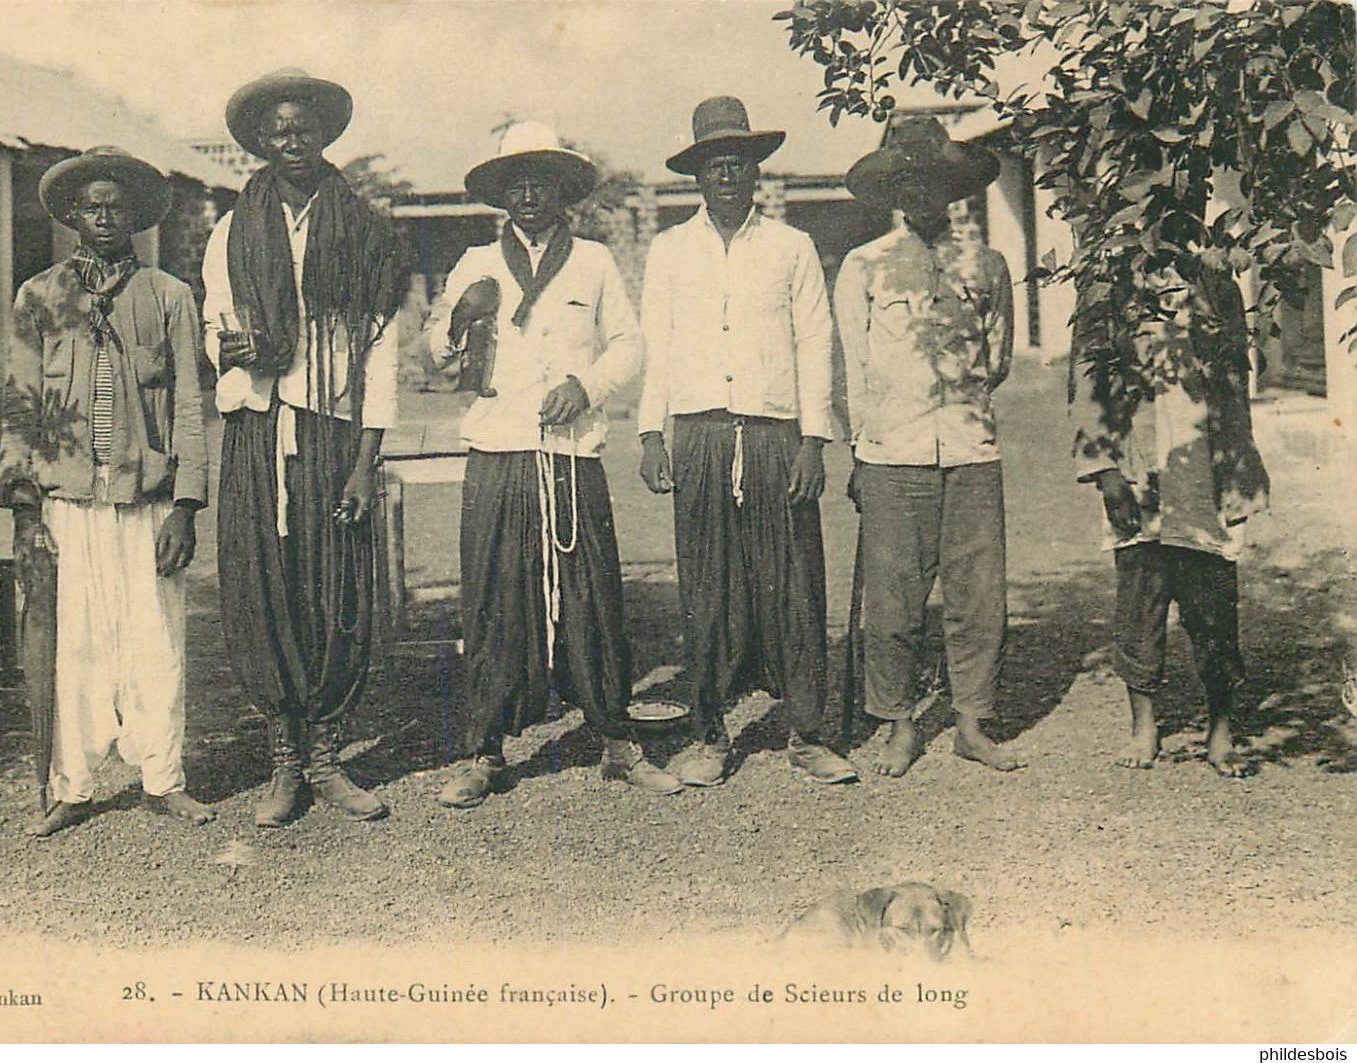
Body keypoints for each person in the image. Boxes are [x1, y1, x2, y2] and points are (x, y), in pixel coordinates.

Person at [426, 122, 681, 808]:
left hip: (570, 453)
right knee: (490, 600)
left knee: (592, 596)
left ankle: (618, 743)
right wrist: (455, 323)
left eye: (542, 180)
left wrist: (584, 385)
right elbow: (435, 352)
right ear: (502, 194)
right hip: (497, 450)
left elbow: (628, 346)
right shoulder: (473, 260)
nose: (530, 193)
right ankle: (484, 750)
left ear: (563, 190)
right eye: (517, 182)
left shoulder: (593, 261)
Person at [202, 70, 409, 825]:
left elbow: (381, 350)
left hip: (330, 430)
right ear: (260, 141)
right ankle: (283, 762)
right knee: (265, 588)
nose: (291, 141)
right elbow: (211, 325)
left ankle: (327, 757)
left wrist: (364, 460)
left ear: (325, 135)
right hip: (258, 427)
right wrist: (232, 348)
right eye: (277, 131)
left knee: (335, 587)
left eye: (304, 128)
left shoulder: (366, 231)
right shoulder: (232, 228)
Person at [637, 96, 858, 788]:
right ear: (696, 174)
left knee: (794, 580)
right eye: (713, 161)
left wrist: (813, 440)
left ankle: (808, 732)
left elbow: (816, 343)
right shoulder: (669, 250)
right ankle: (708, 732)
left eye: (738, 160)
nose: (727, 172)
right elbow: (658, 347)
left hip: (773, 432)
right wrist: (651, 433)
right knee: (705, 586)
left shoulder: (790, 247)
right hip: (698, 431)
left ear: (756, 170)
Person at [0, 146, 213, 837]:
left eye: (116, 206)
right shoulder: (38, 298)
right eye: (91, 206)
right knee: (77, 646)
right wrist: (25, 502)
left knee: (155, 640)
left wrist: (184, 502)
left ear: (135, 216)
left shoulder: (169, 297)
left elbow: (188, 404)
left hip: (146, 500)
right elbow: (21, 402)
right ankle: (75, 785)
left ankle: (163, 778)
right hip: (66, 500)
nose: (103, 217)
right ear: (70, 216)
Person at [833, 115, 1024, 777]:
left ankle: (972, 722)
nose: (920, 191)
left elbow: (996, 358)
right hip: (893, 452)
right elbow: (850, 367)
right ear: (890, 186)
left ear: (952, 185)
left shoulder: (987, 264)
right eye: (905, 179)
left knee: (977, 595)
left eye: (932, 179)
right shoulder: (863, 266)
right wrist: (861, 448)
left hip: (970, 448)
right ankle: (898, 724)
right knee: (892, 601)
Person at [1071, 262, 1269, 777]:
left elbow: (1234, 382)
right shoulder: (1109, 280)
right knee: (1140, 597)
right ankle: (1144, 724)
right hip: (1141, 464)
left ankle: (1221, 729)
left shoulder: (1217, 282)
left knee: (1214, 602)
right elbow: (1087, 376)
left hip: (1206, 466)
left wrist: (1241, 472)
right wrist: (1106, 470)